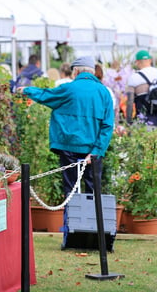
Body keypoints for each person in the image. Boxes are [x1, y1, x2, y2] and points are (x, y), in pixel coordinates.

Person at [16, 56, 114, 196]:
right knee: (94, 191)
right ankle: (94, 217)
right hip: (93, 149)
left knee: (70, 190)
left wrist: (27, 90)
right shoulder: (104, 92)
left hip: (69, 146)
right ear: (92, 72)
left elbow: (47, 96)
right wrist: (96, 151)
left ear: (76, 71)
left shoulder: (69, 88)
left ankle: (71, 217)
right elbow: (108, 125)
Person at [125, 50, 157, 127]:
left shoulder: (134, 77)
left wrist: (129, 121)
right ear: (150, 60)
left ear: (137, 62)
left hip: (143, 124)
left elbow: (130, 102)